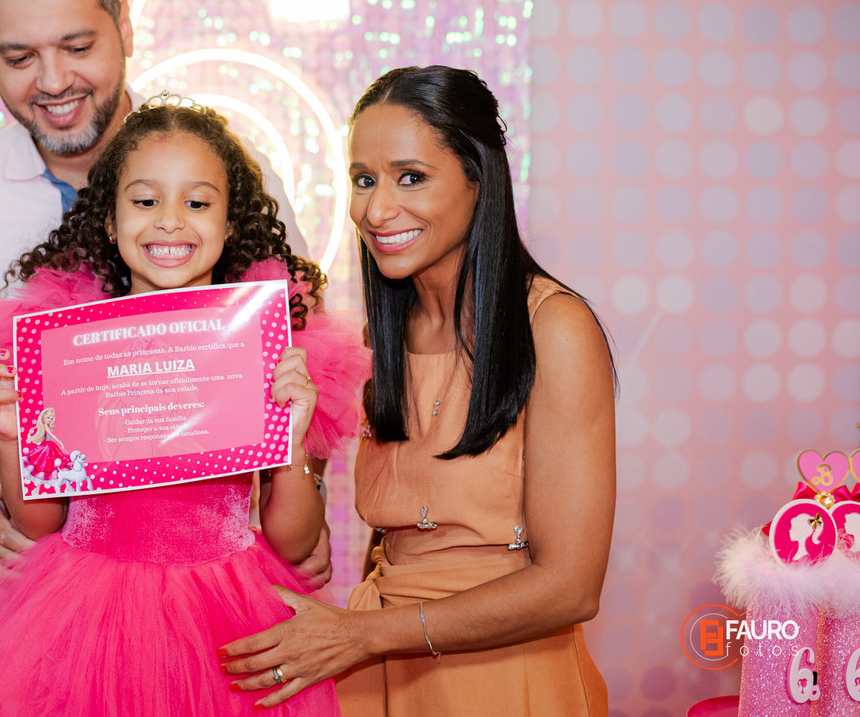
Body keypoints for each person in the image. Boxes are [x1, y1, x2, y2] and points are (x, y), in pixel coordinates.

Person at [0, 98, 364, 715]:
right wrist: (11, 436)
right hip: (84, 616)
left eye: (197, 203)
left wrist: (290, 440)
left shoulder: (264, 346)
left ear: (230, 223)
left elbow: (295, 547)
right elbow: (37, 525)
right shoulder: (68, 349)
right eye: (145, 201)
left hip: (226, 614)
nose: (170, 222)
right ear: (110, 220)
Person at [0, 0, 308, 573]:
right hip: (46, 590)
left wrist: (301, 514)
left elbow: (301, 374)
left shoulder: (229, 174)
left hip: (211, 573)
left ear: (124, 25)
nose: (54, 80)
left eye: (78, 46)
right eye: (19, 57)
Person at [220, 66, 615, 716]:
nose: (376, 210)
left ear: (478, 178)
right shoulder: (380, 337)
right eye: (363, 179)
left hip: (502, 682)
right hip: (380, 674)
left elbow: (570, 587)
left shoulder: (553, 327)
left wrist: (360, 635)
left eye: (411, 177)